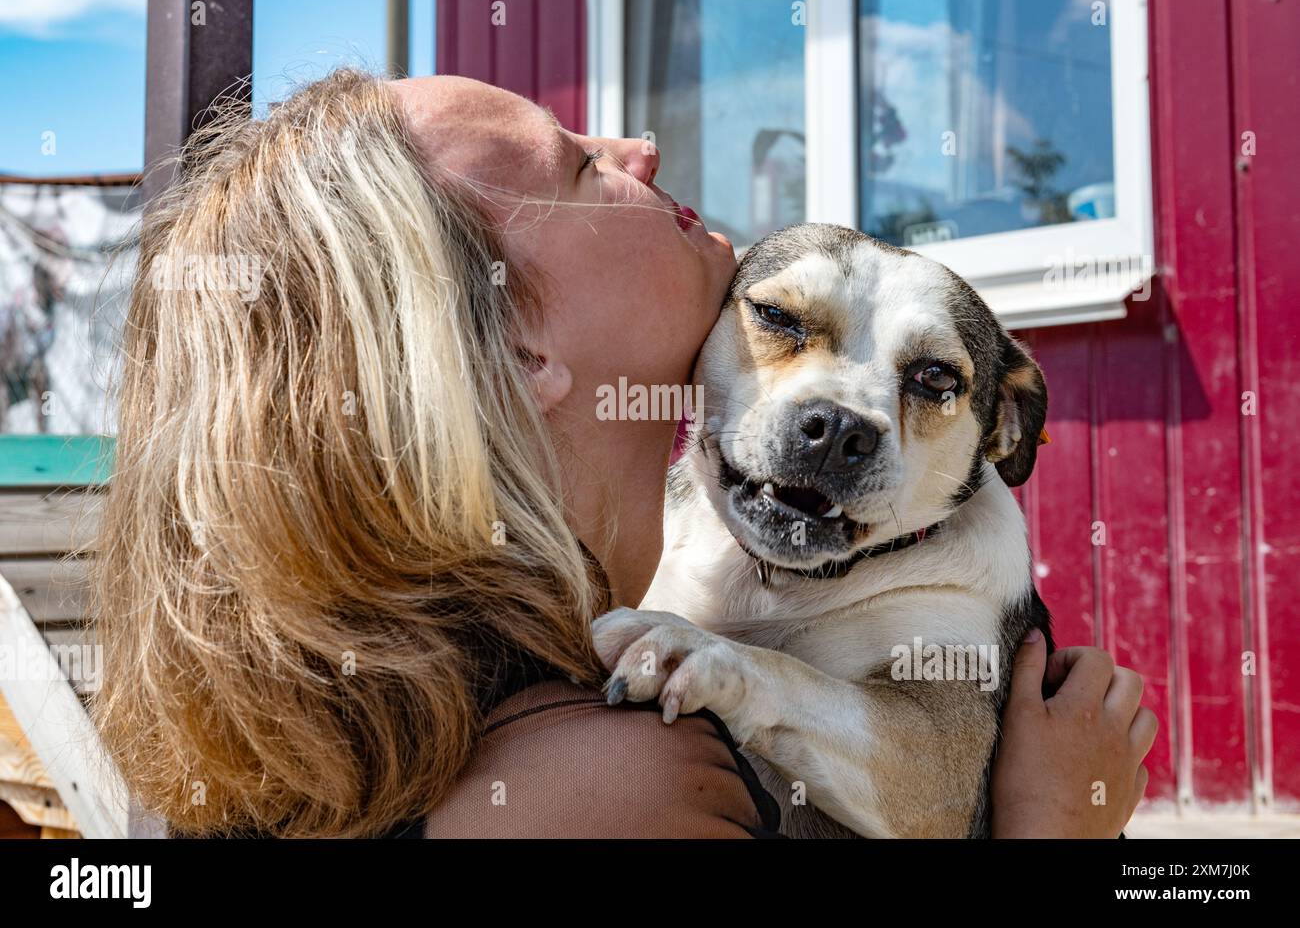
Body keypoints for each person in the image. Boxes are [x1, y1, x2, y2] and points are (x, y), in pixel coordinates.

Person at [91, 69, 1156, 838]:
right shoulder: (617, 791)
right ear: (517, 346)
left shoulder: (491, 693)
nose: (637, 149)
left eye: (926, 383)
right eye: (577, 161)